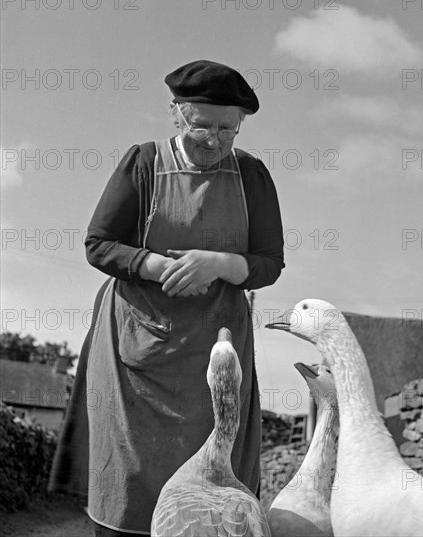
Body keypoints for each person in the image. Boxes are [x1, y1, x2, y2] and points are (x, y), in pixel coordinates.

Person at [48, 60, 285, 536]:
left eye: (227, 129)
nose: (215, 140)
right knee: (129, 481)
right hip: (136, 347)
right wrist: (160, 267)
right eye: (202, 127)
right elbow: (99, 243)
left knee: (211, 490)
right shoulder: (143, 162)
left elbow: (268, 263)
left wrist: (217, 264)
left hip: (215, 348)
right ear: (176, 113)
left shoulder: (252, 176)